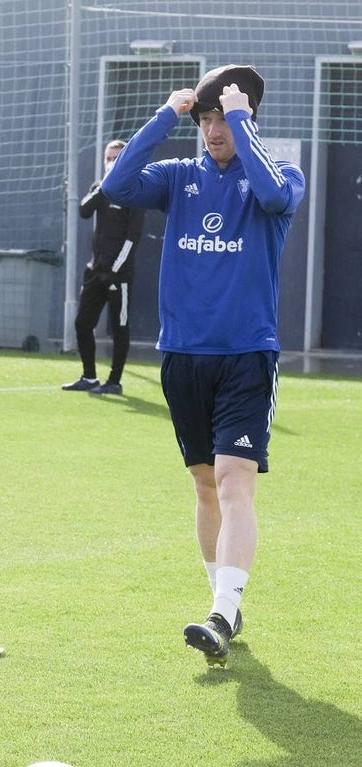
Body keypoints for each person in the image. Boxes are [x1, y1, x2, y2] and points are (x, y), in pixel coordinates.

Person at [101, 65, 304, 668]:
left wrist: (243, 121)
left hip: (246, 354)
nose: (214, 130)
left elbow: (270, 195)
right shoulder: (178, 177)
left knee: (235, 479)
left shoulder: (279, 176)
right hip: (183, 356)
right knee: (204, 484)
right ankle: (226, 605)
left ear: (245, 118)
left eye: (224, 118)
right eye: (207, 118)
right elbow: (116, 183)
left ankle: (221, 610)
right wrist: (167, 114)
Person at [62, 139, 145, 396]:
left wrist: (115, 269)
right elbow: (84, 210)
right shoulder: (101, 188)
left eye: (116, 158)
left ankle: (114, 381)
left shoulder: (135, 191)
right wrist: (103, 188)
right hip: (94, 270)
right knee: (82, 323)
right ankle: (89, 376)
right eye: (108, 158)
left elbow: (133, 237)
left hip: (119, 275)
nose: (110, 163)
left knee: (119, 327)